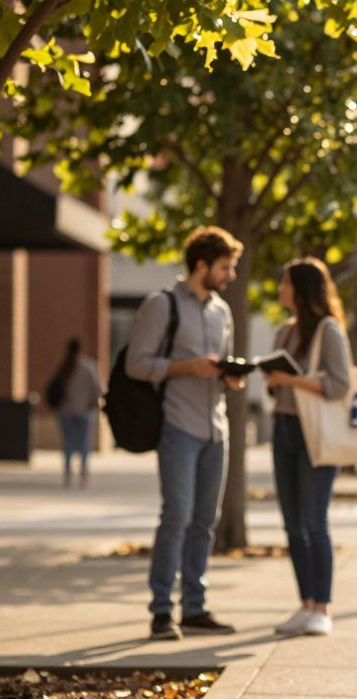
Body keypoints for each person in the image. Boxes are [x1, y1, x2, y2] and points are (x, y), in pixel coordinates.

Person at [126, 226, 246, 641]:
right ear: (201, 265)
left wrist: (230, 377)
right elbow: (137, 364)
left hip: (216, 429)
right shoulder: (162, 305)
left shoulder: (221, 311)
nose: (231, 276)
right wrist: (186, 367)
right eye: (225, 267)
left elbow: (221, 364)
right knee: (176, 517)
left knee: (204, 522)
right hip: (178, 426)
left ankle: (194, 606)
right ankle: (162, 611)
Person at [265, 257, 352, 638]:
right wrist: (273, 381)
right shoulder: (284, 332)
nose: (280, 289)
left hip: (315, 432)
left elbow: (340, 384)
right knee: (292, 524)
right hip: (283, 428)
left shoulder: (327, 330)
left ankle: (323, 607)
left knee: (314, 522)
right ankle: (305, 603)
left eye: (285, 282)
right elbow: (276, 386)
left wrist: (291, 380)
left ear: (300, 289)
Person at [48, 337, 102, 487]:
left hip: (65, 410)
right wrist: (93, 403)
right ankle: (83, 471)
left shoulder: (64, 367)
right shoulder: (89, 367)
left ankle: (68, 473)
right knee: (84, 442)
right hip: (84, 410)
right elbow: (97, 389)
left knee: (68, 442)